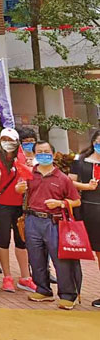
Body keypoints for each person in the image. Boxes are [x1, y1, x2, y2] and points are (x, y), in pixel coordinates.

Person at [18, 140, 82, 310]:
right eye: (39, 152)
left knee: (60, 259)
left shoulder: (62, 178)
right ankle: (43, 290)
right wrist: (19, 188)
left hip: (54, 221)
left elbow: (76, 201)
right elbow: (20, 191)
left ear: (53, 155)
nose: (43, 155)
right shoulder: (30, 174)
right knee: (36, 257)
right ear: (35, 154)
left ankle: (68, 295)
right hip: (32, 220)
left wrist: (60, 203)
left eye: (46, 152)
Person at [0, 128, 37, 293]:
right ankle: (7, 277)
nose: (8, 143)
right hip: (3, 205)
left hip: (21, 206)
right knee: (3, 239)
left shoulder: (24, 158)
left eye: (11, 139)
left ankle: (25, 277)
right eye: (4, 139)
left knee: (22, 241)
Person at [69, 129, 100, 309]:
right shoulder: (80, 161)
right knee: (98, 252)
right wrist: (86, 187)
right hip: (89, 209)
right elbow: (70, 181)